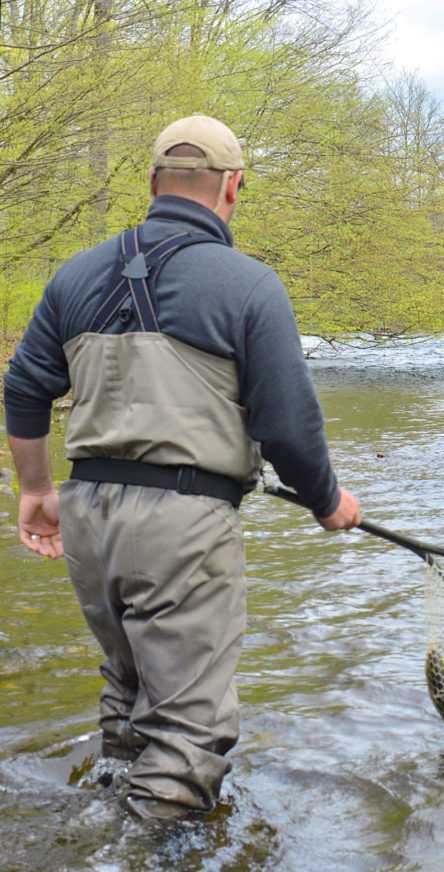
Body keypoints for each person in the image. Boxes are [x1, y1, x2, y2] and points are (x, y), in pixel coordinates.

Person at [3, 114, 360, 821]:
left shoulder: (74, 274)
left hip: (88, 517)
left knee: (129, 689)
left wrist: (37, 491)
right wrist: (327, 503)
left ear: (151, 182)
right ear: (234, 188)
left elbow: (21, 388)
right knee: (189, 726)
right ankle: (143, 850)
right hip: (183, 527)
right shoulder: (249, 285)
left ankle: (106, 811)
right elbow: (287, 426)